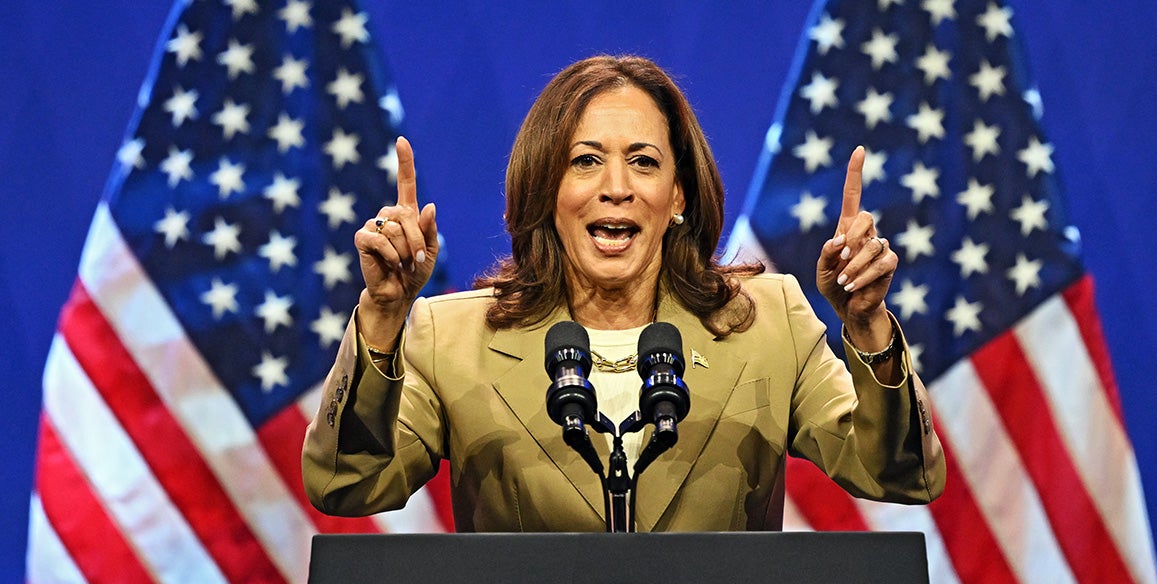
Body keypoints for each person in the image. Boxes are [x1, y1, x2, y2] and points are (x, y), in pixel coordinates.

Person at [302, 55, 945, 532]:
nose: (617, 187)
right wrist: (383, 316)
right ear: (546, 192)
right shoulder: (455, 339)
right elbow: (345, 483)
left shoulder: (766, 324)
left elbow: (901, 473)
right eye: (585, 161)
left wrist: (867, 327)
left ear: (678, 198)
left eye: (643, 161)